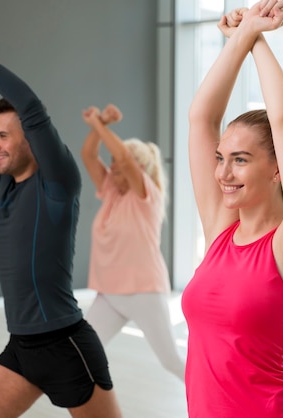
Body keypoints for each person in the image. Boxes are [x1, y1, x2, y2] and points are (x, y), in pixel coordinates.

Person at [0, 36, 123, 418]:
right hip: (22, 348)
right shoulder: (7, 183)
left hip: (66, 346)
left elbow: (30, 107)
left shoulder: (58, 183)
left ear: (32, 139)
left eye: (3, 136)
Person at [180, 1, 283, 417]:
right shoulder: (221, 229)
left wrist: (256, 37)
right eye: (220, 157)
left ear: (278, 169)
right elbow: (200, 119)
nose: (223, 172)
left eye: (241, 159)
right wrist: (243, 34)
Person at [81, 103, 185, 382]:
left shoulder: (146, 195)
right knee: (83, 355)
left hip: (143, 292)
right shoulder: (111, 190)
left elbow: (124, 159)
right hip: (111, 293)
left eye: (118, 161)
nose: (112, 165)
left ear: (140, 168)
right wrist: (100, 122)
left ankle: (222, 405)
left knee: (172, 361)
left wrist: (100, 126)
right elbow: (89, 155)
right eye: (112, 162)